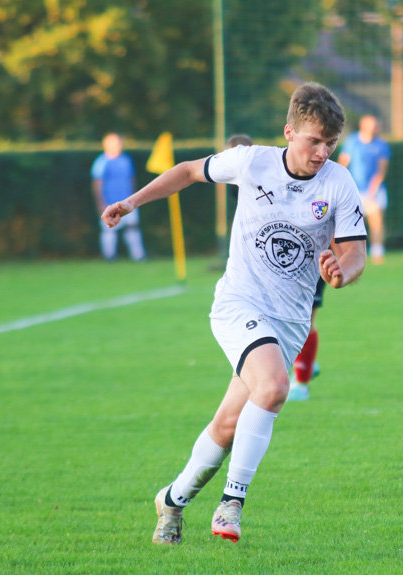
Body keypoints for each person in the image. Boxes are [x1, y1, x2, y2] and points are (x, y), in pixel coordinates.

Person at [101, 82, 367, 544]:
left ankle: (172, 500)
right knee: (275, 386)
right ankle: (232, 502)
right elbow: (186, 171)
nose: (322, 152)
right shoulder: (252, 161)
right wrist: (131, 203)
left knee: (228, 424)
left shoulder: (339, 182)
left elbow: (355, 252)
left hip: (289, 322)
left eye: (330, 143)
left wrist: (341, 272)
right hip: (238, 304)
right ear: (289, 132)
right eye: (314, 141)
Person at [338, 114, 391, 264]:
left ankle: (377, 252)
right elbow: (343, 165)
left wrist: (373, 190)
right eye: (372, 124)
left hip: (375, 190)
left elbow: (381, 171)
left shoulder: (381, 145)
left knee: (377, 221)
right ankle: (352, 253)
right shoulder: (352, 142)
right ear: (363, 125)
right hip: (355, 189)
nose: (375, 127)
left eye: (376, 124)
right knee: (354, 223)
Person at [91, 133, 146, 261]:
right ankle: (109, 257)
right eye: (116, 142)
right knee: (109, 229)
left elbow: (131, 180)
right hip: (110, 202)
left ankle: (138, 256)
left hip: (127, 201)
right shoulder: (102, 162)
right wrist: (101, 203)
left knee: (133, 227)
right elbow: (97, 184)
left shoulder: (126, 160)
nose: (119, 145)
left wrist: (135, 199)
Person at [286, 278, 324, 401]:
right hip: (283, 272)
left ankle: (301, 385)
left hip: (311, 271)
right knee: (289, 320)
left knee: (304, 321)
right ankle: (308, 364)